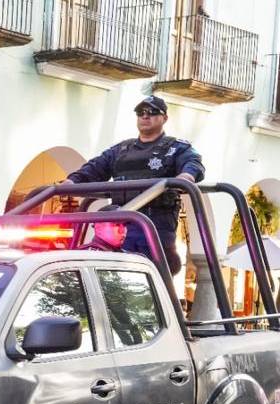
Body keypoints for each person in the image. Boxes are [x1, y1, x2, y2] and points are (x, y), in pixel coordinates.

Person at [65, 95, 205, 274]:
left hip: (156, 222)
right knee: (115, 272)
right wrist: (72, 181)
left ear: (164, 118)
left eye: (153, 112)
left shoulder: (176, 148)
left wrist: (187, 176)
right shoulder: (121, 150)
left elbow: (193, 162)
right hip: (121, 222)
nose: (145, 116)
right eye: (141, 113)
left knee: (152, 273)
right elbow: (95, 167)